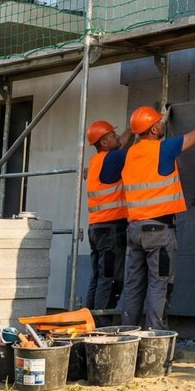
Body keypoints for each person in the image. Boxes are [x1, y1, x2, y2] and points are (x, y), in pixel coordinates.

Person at [104, 98, 195, 330]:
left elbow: (148, 143)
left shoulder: (129, 154)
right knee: (159, 284)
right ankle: (155, 337)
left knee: (134, 286)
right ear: (154, 130)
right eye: (157, 123)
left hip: (134, 231)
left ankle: (128, 336)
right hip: (159, 231)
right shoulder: (164, 148)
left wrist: (160, 121)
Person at [84, 119, 128, 311]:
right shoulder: (114, 157)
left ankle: (89, 320)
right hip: (111, 231)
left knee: (98, 277)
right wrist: (142, 130)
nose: (117, 136)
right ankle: (102, 323)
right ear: (103, 142)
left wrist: (132, 129)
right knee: (111, 279)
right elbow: (137, 150)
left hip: (97, 229)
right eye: (112, 135)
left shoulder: (97, 161)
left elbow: (121, 142)